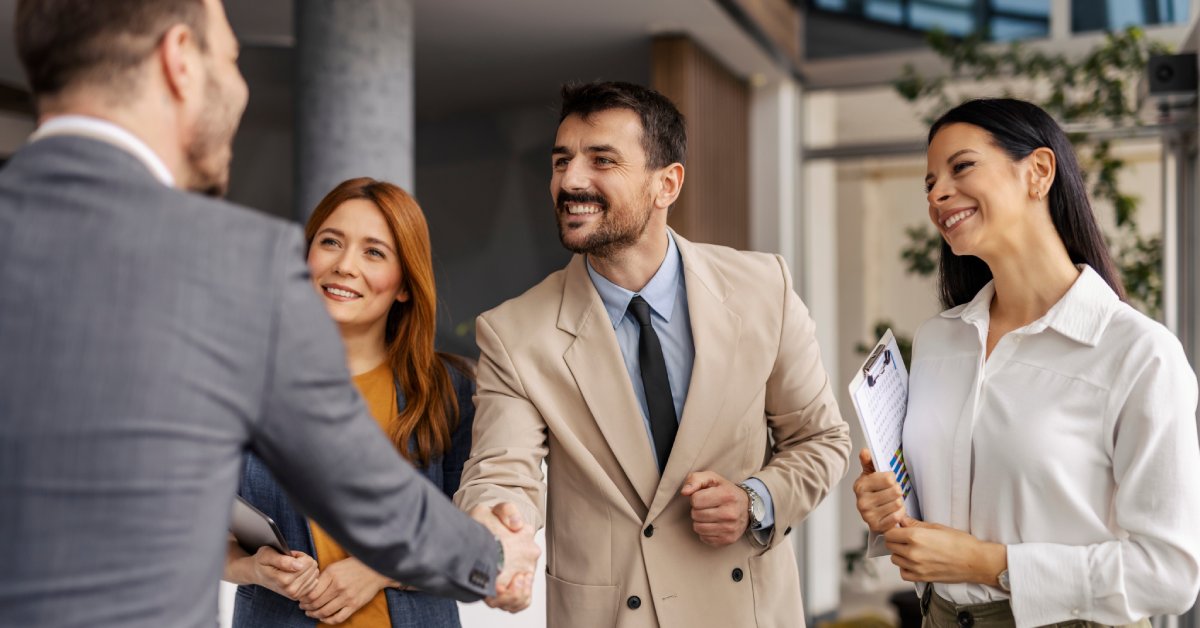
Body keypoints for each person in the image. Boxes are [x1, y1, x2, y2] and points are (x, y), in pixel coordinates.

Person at [0, 1, 537, 626]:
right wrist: (492, 559)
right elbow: (364, 492)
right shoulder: (237, 262)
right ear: (179, 59)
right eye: (230, 59)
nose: (240, 87)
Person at [453, 80, 852, 628]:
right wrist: (497, 526)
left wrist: (756, 498)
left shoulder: (766, 287)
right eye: (561, 160)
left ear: (667, 184)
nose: (570, 180)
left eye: (602, 160)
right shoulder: (513, 331)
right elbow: (502, 470)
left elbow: (821, 438)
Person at [851, 98, 1200, 627]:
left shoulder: (1138, 354)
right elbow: (936, 511)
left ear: (1038, 172)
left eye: (961, 167)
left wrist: (989, 564)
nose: (938, 193)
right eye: (928, 183)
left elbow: (1168, 573)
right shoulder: (939, 342)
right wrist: (893, 514)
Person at [224, 178, 476, 627]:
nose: (344, 265)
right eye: (331, 242)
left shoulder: (447, 391)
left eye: (374, 252)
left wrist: (380, 569)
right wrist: (252, 569)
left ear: (403, 285)